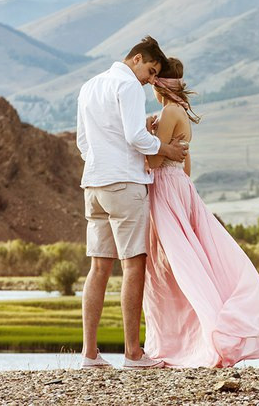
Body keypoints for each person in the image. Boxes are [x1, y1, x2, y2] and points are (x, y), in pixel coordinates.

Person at [143, 57, 259, 367]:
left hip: (165, 191)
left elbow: (153, 163)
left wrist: (146, 134)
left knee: (172, 270)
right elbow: (186, 165)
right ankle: (184, 343)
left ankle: (191, 341)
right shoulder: (181, 113)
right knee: (186, 264)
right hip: (180, 187)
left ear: (158, 86)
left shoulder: (168, 112)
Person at [76, 36, 187, 370]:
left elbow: (83, 141)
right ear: (136, 59)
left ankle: (90, 354)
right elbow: (135, 138)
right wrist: (166, 149)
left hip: (93, 183)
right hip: (125, 184)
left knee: (98, 267)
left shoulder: (89, 86)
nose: (151, 79)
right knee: (134, 265)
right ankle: (133, 354)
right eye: (151, 71)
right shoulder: (128, 87)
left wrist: (105, 159)